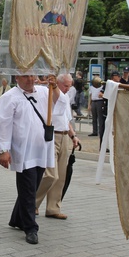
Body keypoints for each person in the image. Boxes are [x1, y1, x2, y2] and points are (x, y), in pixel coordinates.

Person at [0, 74, 60, 245]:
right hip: (24, 151)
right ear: (17, 78)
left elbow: (58, 101)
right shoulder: (8, 98)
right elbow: (3, 125)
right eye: (25, 77)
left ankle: (17, 218)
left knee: (32, 186)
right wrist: (3, 150)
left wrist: (55, 85)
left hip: (42, 149)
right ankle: (30, 227)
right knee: (28, 188)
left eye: (32, 76)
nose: (30, 80)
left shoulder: (43, 91)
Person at [35, 73, 79, 220]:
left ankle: (53, 208)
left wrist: (73, 136)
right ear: (58, 83)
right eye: (65, 85)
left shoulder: (66, 97)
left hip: (64, 135)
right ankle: (33, 203)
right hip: (51, 136)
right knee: (50, 175)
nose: (68, 88)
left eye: (70, 85)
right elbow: (56, 96)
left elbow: (67, 120)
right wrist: (51, 84)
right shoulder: (50, 94)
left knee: (61, 175)